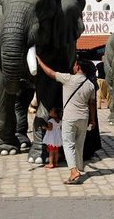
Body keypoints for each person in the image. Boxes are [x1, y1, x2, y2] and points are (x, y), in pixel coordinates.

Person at [36, 55, 97, 185]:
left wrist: (40, 62)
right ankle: (79, 167)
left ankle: (74, 172)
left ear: (78, 67)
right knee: (79, 144)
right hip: (84, 118)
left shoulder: (68, 79)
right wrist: (93, 120)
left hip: (70, 118)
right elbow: (92, 104)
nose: (73, 67)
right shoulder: (90, 84)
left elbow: (51, 73)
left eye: (74, 65)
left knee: (68, 144)